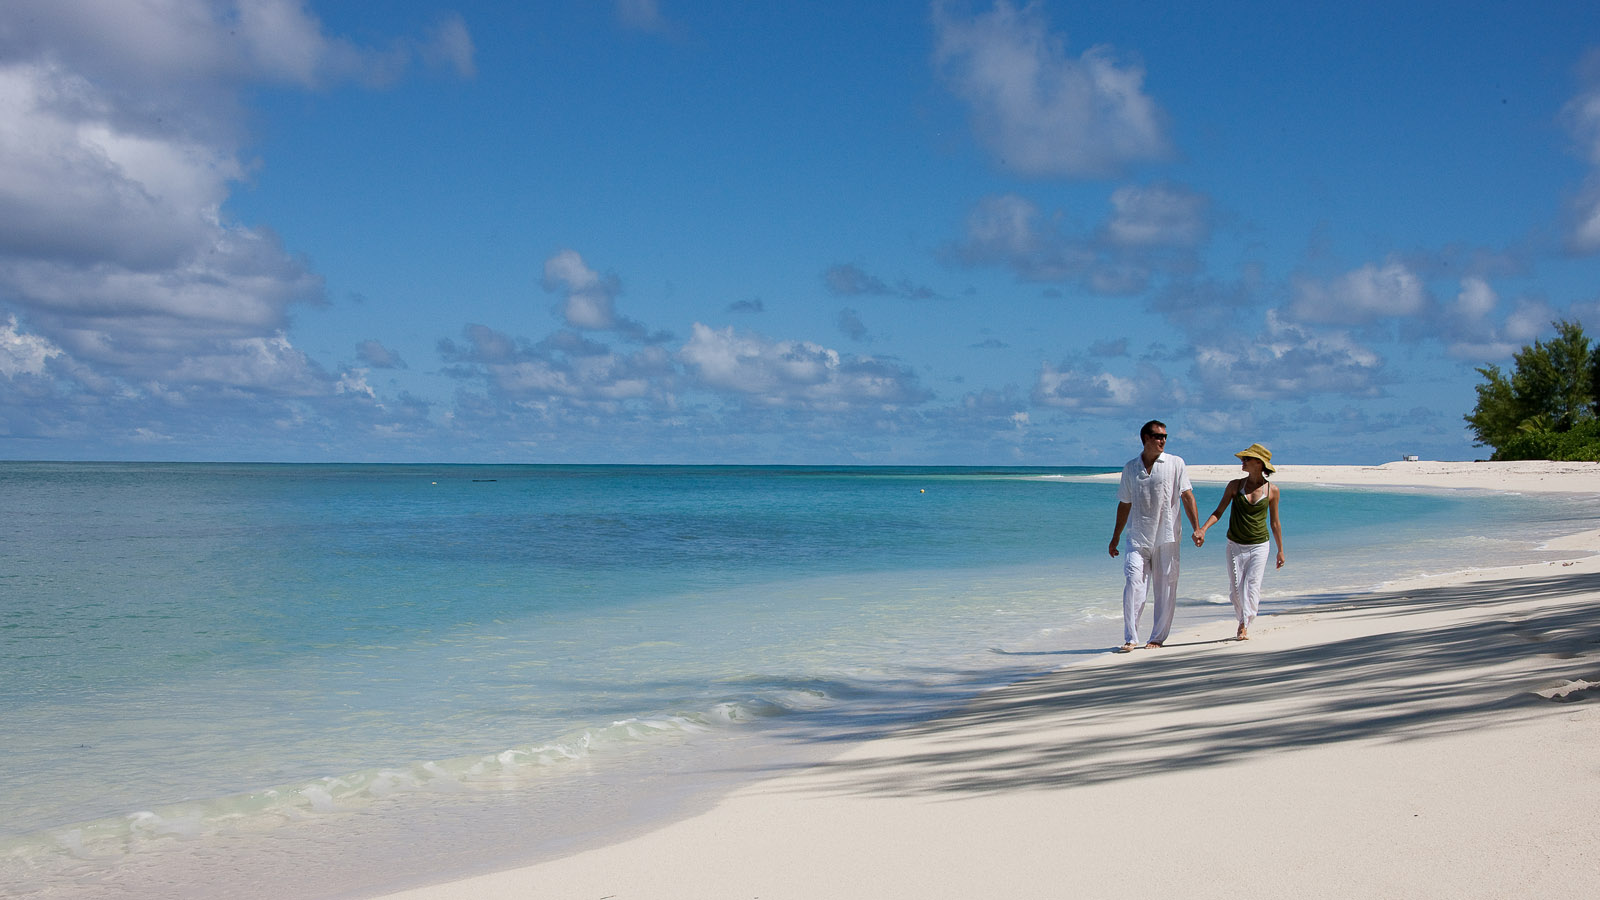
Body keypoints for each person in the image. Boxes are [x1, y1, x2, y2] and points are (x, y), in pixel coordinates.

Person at [1108, 419, 1199, 652]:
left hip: (1166, 535)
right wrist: (1115, 536)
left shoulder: (1175, 463)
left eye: (1165, 437)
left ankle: (1157, 637)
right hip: (1137, 536)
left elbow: (1187, 496)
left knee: (1165, 586)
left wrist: (1196, 528)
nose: (1163, 440)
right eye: (1158, 436)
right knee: (1132, 581)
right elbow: (1124, 504)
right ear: (1146, 438)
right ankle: (1130, 637)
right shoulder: (1130, 468)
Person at [1193, 442, 1285, 641]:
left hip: (1260, 545)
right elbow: (1219, 512)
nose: (1242, 462)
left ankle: (1244, 624)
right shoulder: (1235, 485)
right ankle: (1242, 617)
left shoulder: (1272, 491)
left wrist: (1280, 550)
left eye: (1246, 459)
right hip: (1235, 544)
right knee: (1236, 589)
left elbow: (1275, 522)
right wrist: (1202, 529)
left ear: (1259, 464)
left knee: (1252, 586)